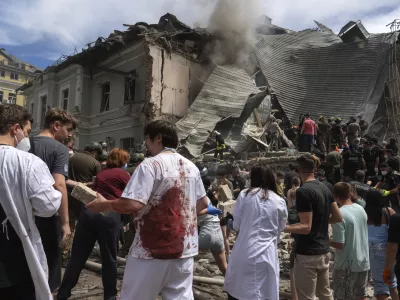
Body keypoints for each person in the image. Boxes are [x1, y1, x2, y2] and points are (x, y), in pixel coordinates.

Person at [87, 120, 208, 300]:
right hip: (184, 251)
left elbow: (132, 204)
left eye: (147, 140)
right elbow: (203, 203)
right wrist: (179, 218)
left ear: (158, 138)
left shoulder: (151, 165)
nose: (146, 145)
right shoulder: (191, 167)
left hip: (151, 251)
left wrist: (103, 204)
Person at [0, 104, 62, 300]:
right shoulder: (27, 162)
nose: (27, 137)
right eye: (27, 131)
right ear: (15, 129)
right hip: (12, 260)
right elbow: (48, 206)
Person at [58, 148, 131, 300]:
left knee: (77, 256)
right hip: (109, 214)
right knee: (109, 258)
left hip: (89, 213)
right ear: (123, 161)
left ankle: (63, 293)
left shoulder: (101, 173)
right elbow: (130, 197)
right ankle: (110, 295)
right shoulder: (123, 175)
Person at [29, 108, 76, 295]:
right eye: (68, 129)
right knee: (50, 261)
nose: (69, 134)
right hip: (48, 217)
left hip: (24, 213)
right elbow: (59, 185)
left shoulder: (26, 143)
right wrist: (65, 223)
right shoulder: (59, 149)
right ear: (56, 126)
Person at [224, 165, 288, 300]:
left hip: (244, 252)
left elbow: (236, 225)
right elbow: (281, 226)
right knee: (264, 294)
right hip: (267, 256)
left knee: (240, 292)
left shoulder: (245, 195)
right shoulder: (279, 201)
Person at [285, 154, 342, 300]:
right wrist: (321, 221)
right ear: (315, 169)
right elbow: (337, 217)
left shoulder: (303, 192)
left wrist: (282, 228)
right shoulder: (325, 188)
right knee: (325, 294)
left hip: (307, 253)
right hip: (324, 251)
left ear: (299, 170)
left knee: (306, 297)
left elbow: (305, 227)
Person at [330, 183, 370, 300]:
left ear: (335, 196)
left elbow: (339, 244)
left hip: (346, 266)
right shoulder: (361, 209)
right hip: (363, 263)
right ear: (350, 193)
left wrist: (327, 241)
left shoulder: (339, 215)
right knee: (360, 296)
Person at [365, 190, 399, 300]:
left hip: (372, 250)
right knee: (392, 282)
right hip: (388, 249)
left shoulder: (364, 213)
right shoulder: (389, 211)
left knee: (380, 286)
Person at [197, 186, 226, 275]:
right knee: (224, 267)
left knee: (185, 256)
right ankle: (234, 287)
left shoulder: (198, 199)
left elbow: (193, 213)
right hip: (218, 233)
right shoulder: (210, 200)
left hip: (206, 233)